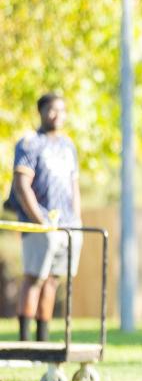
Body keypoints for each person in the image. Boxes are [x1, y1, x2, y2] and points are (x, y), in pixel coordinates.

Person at [8, 94, 81, 342]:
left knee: (53, 281)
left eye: (61, 110)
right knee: (34, 278)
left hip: (67, 226)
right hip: (39, 224)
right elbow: (21, 184)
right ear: (41, 111)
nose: (57, 114)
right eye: (52, 109)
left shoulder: (68, 146)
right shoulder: (30, 143)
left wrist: (77, 221)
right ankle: (25, 341)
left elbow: (74, 185)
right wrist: (39, 220)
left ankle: (43, 341)